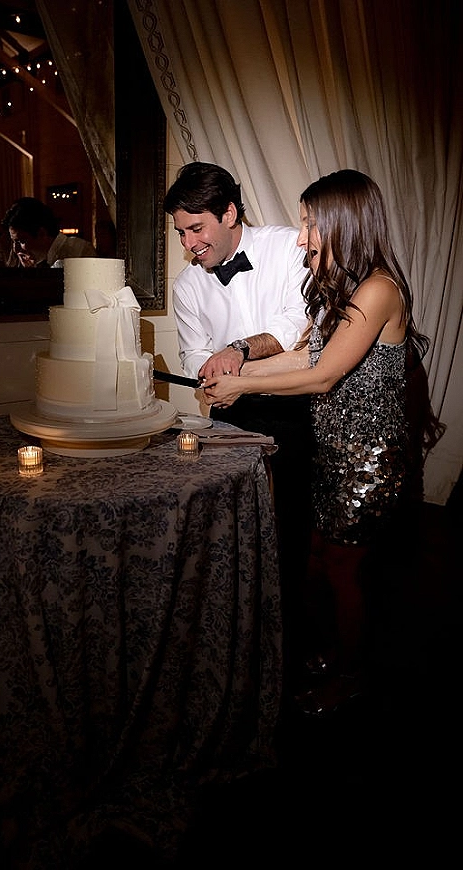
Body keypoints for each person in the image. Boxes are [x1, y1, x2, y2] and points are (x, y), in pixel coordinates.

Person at [201, 168, 441, 715]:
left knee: (341, 568)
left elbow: (324, 375)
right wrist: (239, 372)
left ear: (345, 223)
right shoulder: (347, 289)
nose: (303, 235)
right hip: (332, 451)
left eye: (312, 223)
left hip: (367, 461)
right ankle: (339, 651)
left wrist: (240, 384)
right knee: (317, 564)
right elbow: (304, 357)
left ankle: (352, 675)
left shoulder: (379, 289)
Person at [163, 161, 312, 688]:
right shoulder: (187, 285)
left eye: (196, 228)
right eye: (181, 233)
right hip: (232, 414)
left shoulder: (287, 247)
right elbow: (193, 355)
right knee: (235, 529)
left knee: (293, 531)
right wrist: (206, 369)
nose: (188, 244)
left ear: (229, 213)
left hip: (300, 408)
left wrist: (239, 351)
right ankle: (236, 639)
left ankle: (293, 649)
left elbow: (298, 326)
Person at [1, 196, 96, 267]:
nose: (16, 249)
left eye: (21, 241)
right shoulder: (35, 262)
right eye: (13, 241)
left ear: (42, 234)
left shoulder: (80, 253)